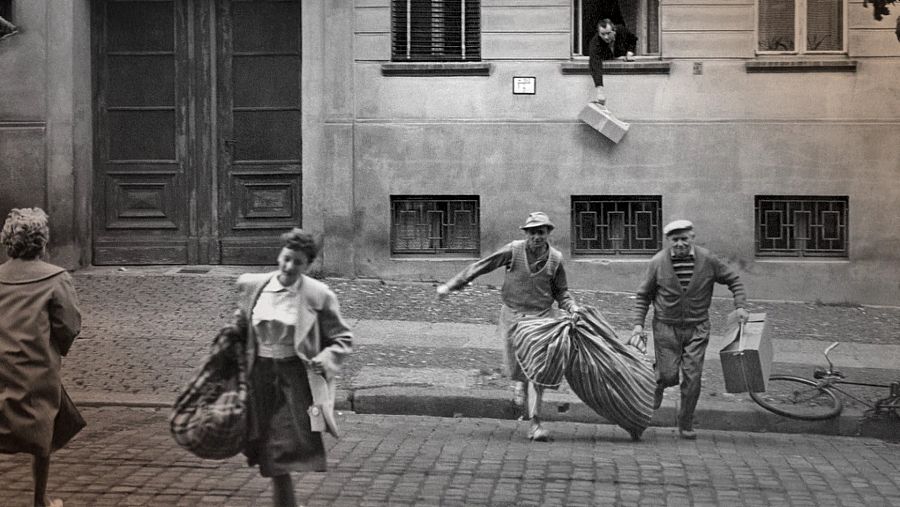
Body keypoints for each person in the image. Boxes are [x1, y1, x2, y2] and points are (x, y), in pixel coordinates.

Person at [436, 212, 579, 442]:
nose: (536, 237)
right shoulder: (513, 251)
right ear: (526, 234)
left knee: (536, 371)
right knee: (516, 368)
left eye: (541, 232)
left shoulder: (555, 259)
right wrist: (452, 285)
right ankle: (521, 384)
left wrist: (572, 307)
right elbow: (482, 266)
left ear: (548, 234)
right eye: (532, 233)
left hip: (541, 319)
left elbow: (561, 292)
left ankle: (535, 423)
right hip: (513, 317)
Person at [235, 228, 352, 507]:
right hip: (259, 375)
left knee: (281, 447)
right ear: (280, 255)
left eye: (297, 263)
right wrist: (233, 337)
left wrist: (325, 359)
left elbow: (343, 338)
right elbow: (242, 324)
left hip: (293, 378)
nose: (288, 267)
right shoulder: (254, 285)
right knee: (266, 444)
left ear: (307, 266)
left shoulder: (318, 294)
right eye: (286, 258)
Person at [627, 220, 749, 440]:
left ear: (692, 237)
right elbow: (643, 295)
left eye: (684, 238)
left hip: (697, 327)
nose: (680, 244)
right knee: (668, 374)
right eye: (675, 240)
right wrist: (638, 325)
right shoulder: (657, 262)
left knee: (693, 378)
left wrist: (740, 306)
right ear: (668, 241)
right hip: (666, 327)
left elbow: (734, 280)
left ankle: (686, 423)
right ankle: (659, 381)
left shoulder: (708, 260)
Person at [0, 208, 83, 507]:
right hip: (37, 368)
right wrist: (57, 347)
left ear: (8, 242)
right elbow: (69, 324)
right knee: (45, 424)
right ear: (43, 242)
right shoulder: (56, 278)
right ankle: (40, 498)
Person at [589, 18, 638, 106]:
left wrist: (630, 53)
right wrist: (600, 90)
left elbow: (633, 39)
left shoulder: (621, 30)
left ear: (614, 30)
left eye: (608, 33)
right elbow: (595, 63)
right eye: (602, 34)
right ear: (599, 33)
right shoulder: (595, 42)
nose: (606, 37)